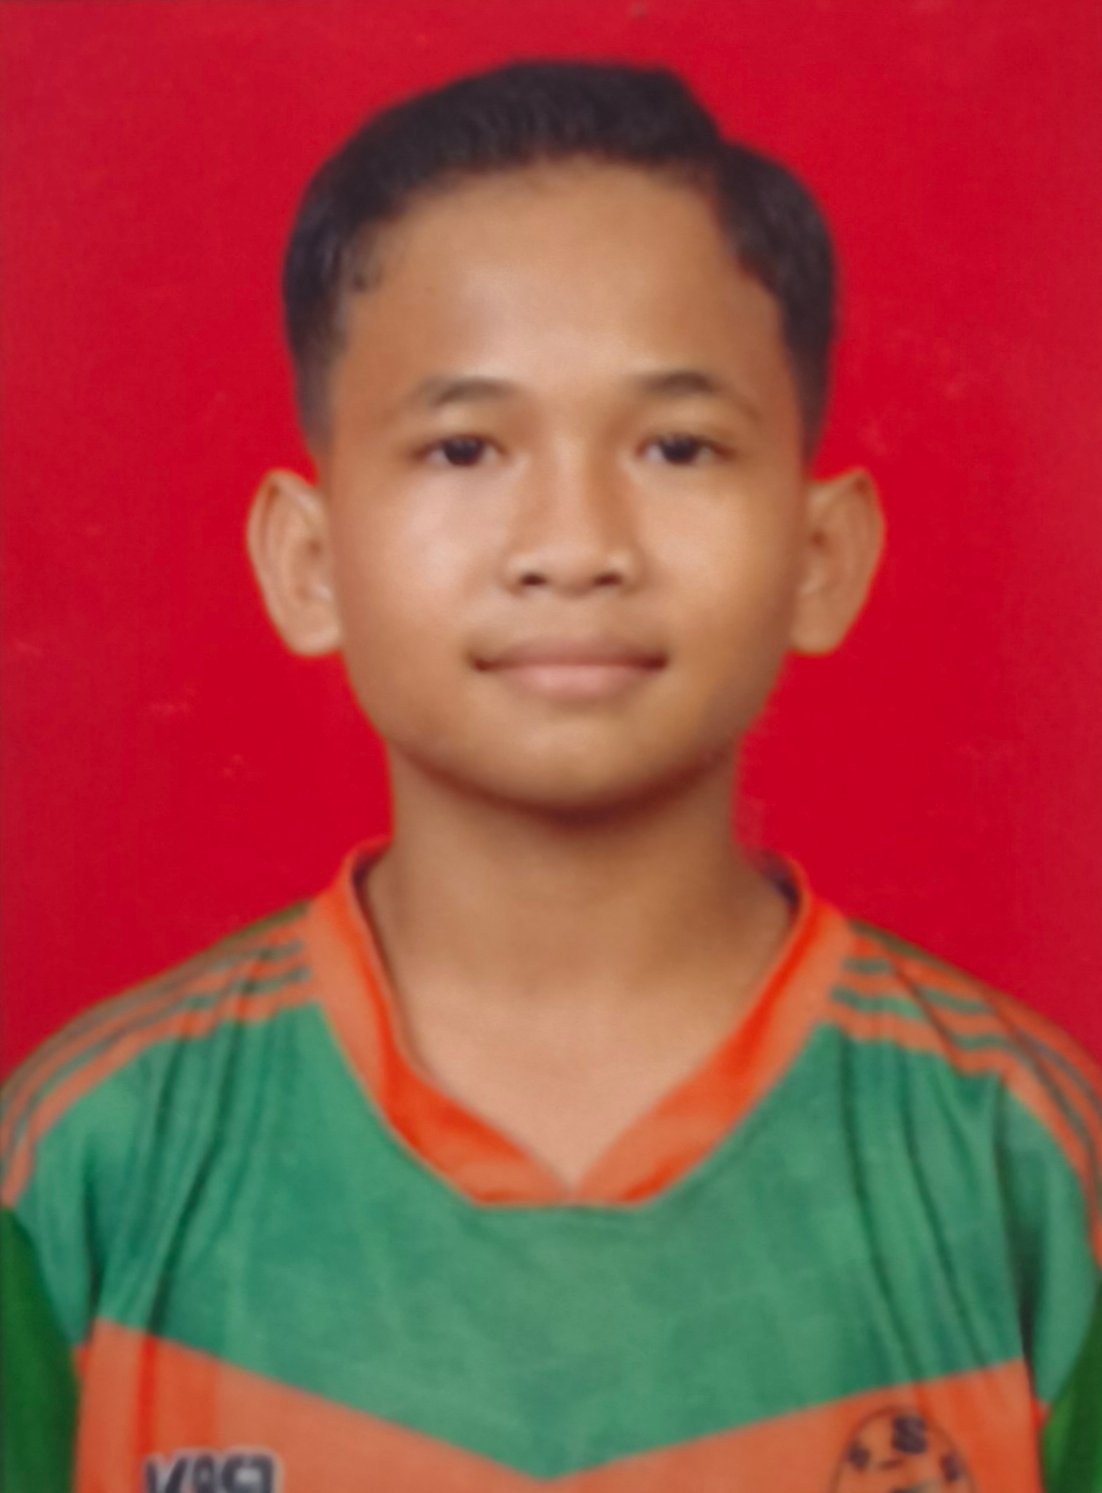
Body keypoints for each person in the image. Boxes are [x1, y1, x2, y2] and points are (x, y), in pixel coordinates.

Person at [2, 59, 1098, 1493]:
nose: (574, 544)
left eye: (676, 446)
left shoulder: (1026, 1168)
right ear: (308, 562)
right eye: (464, 446)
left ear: (821, 556)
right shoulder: (87, 1163)